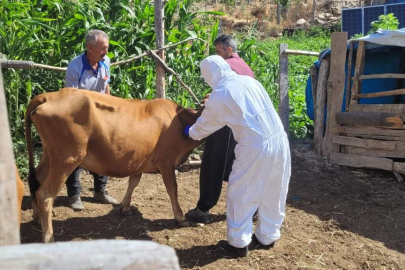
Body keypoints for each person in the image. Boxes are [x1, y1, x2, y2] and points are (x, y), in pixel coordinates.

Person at [184, 55, 291, 257]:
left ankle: (238, 244)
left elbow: (203, 128)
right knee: (274, 190)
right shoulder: (250, 81)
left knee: (242, 192)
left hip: (255, 146)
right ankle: (267, 236)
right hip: (280, 140)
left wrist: (188, 132)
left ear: (209, 76)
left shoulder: (221, 93)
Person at [186, 34, 255, 224]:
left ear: (229, 50)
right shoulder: (245, 67)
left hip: (225, 126)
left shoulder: (229, 66)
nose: (217, 56)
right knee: (237, 165)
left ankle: (203, 209)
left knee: (212, 164)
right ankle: (253, 207)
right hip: (244, 128)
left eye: (218, 52)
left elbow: (224, 96)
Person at [64, 29, 117, 211]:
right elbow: (70, 98)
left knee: (102, 151)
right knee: (76, 155)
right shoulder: (75, 66)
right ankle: (74, 195)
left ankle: (100, 191)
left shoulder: (106, 62)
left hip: (100, 115)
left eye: (107, 48)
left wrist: (110, 108)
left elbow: (106, 86)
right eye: (103, 48)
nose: (106, 52)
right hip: (79, 117)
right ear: (89, 47)